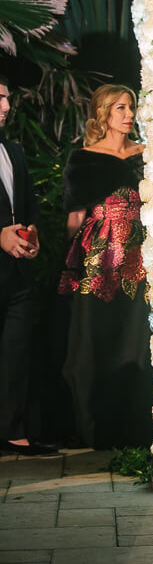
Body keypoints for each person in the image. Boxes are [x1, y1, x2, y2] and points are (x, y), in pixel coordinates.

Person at [58, 85, 153, 449]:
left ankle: (135, 424)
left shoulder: (148, 155)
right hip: (97, 261)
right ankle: (94, 425)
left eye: (131, 107)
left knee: (135, 335)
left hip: (140, 258)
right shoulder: (84, 159)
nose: (128, 114)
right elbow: (74, 218)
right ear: (103, 113)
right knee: (95, 337)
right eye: (120, 108)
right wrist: (69, 267)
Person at [0, 77, 57, 456]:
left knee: (15, 353)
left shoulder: (13, 150)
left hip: (17, 272)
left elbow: (28, 205)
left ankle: (12, 430)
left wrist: (31, 231)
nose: (5, 106)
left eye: (5, 97)